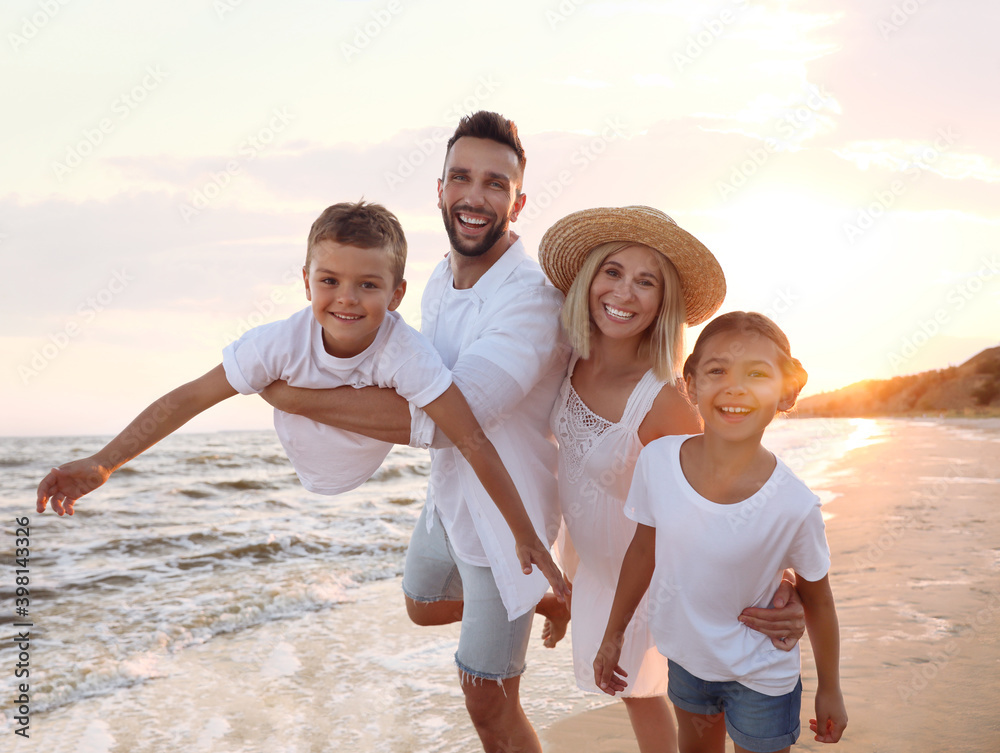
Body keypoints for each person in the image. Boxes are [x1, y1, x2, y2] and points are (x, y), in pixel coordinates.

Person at [34, 200, 568, 603]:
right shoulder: (278, 342)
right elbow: (189, 397)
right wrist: (103, 462)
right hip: (304, 460)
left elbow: (470, 436)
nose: (347, 299)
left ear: (397, 293)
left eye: (368, 285)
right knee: (421, 609)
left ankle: (532, 602)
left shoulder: (406, 351)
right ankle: (538, 606)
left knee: (431, 404)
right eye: (329, 280)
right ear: (306, 280)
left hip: (362, 454)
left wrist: (523, 534)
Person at [253, 112, 569, 752]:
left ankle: (526, 587)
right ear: (440, 188)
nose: (474, 197)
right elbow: (408, 382)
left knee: (487, 697)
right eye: (461, 177)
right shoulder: (433, 279)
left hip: (508, 521)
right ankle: (539, 600)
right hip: (449, 498)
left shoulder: (530, 300)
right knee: (421, 602)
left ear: (518, 200)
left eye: (495, 183)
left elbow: (458, 421)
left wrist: (294, 395)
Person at [537, 207, 805, 753]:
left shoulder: (659, 400)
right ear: (589, 279)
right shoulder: (568, 359)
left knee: (684, 713)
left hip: (657, 577)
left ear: (664, 302)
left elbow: (725, 485)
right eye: (612, 272)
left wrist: (786, 579)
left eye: (646, 281)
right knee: (639, 696)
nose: (625, 293)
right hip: (598, 571)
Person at [594, 311, 848, 752]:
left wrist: (830, 687)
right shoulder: (658, 461)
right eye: (717, 371)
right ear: (690, 384)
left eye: (756, 374)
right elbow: (642, 552)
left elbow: (818, 598)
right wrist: (612, 635)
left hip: (762, 676)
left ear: (787, 391)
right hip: (688, 663)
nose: (736, 387)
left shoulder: (794, 504)